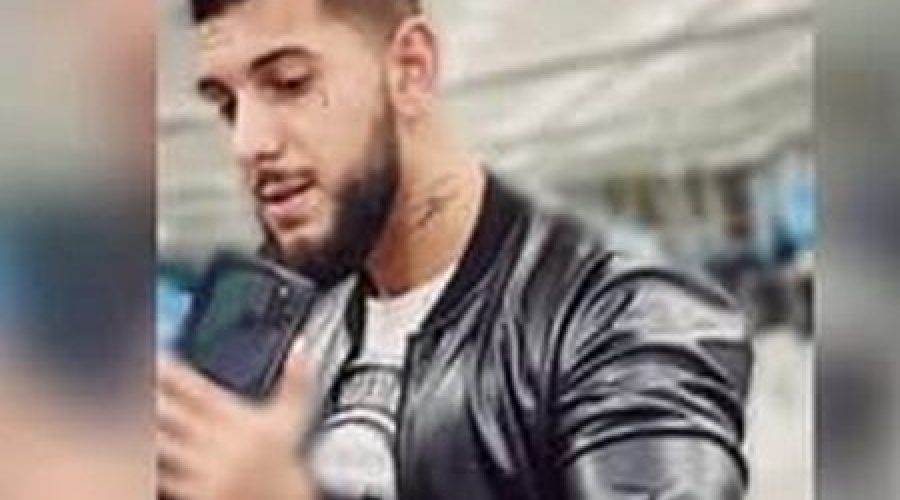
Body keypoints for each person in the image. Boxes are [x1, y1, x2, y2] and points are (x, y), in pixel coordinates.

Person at [157, 1, 752, 499]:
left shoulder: (624, 313)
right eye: (227, 105)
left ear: (410, 69)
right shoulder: (291, 318)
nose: (247, 143)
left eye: (290, 83)